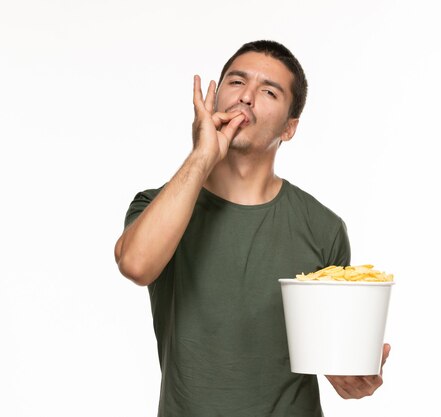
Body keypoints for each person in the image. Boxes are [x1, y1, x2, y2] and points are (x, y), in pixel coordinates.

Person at [114, 40, 390, 417]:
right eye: (236, 82)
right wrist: (202, 156)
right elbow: (136, 264)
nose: (246, 97)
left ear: (289, 128)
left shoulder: (323, 228)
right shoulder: (158, 206)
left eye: (268, 91)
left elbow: (331, 353)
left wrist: (351, 377)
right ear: (213, 100)